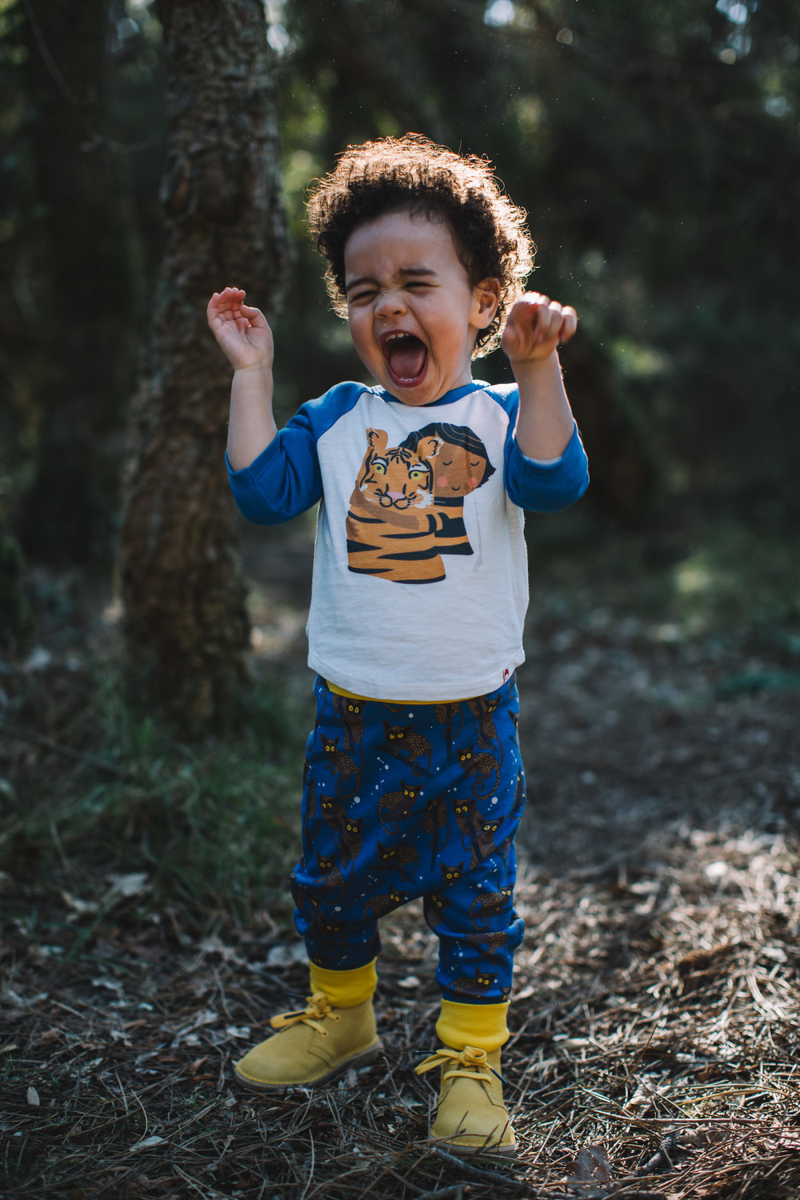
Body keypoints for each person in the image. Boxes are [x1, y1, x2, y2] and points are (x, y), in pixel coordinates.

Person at [207, 134, 588, 1154]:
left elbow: (555, 484)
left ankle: (470, 1062)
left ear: (482, 300)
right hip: (353, 708)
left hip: (470, 713)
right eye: (363, 287)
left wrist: (538, 366)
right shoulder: (337, 418)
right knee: (330, 880)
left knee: (474, 897)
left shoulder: (506, 415)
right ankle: (342, 1019)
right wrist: (252, 373)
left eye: (417, 281)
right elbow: (260, 492)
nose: (387, 305)